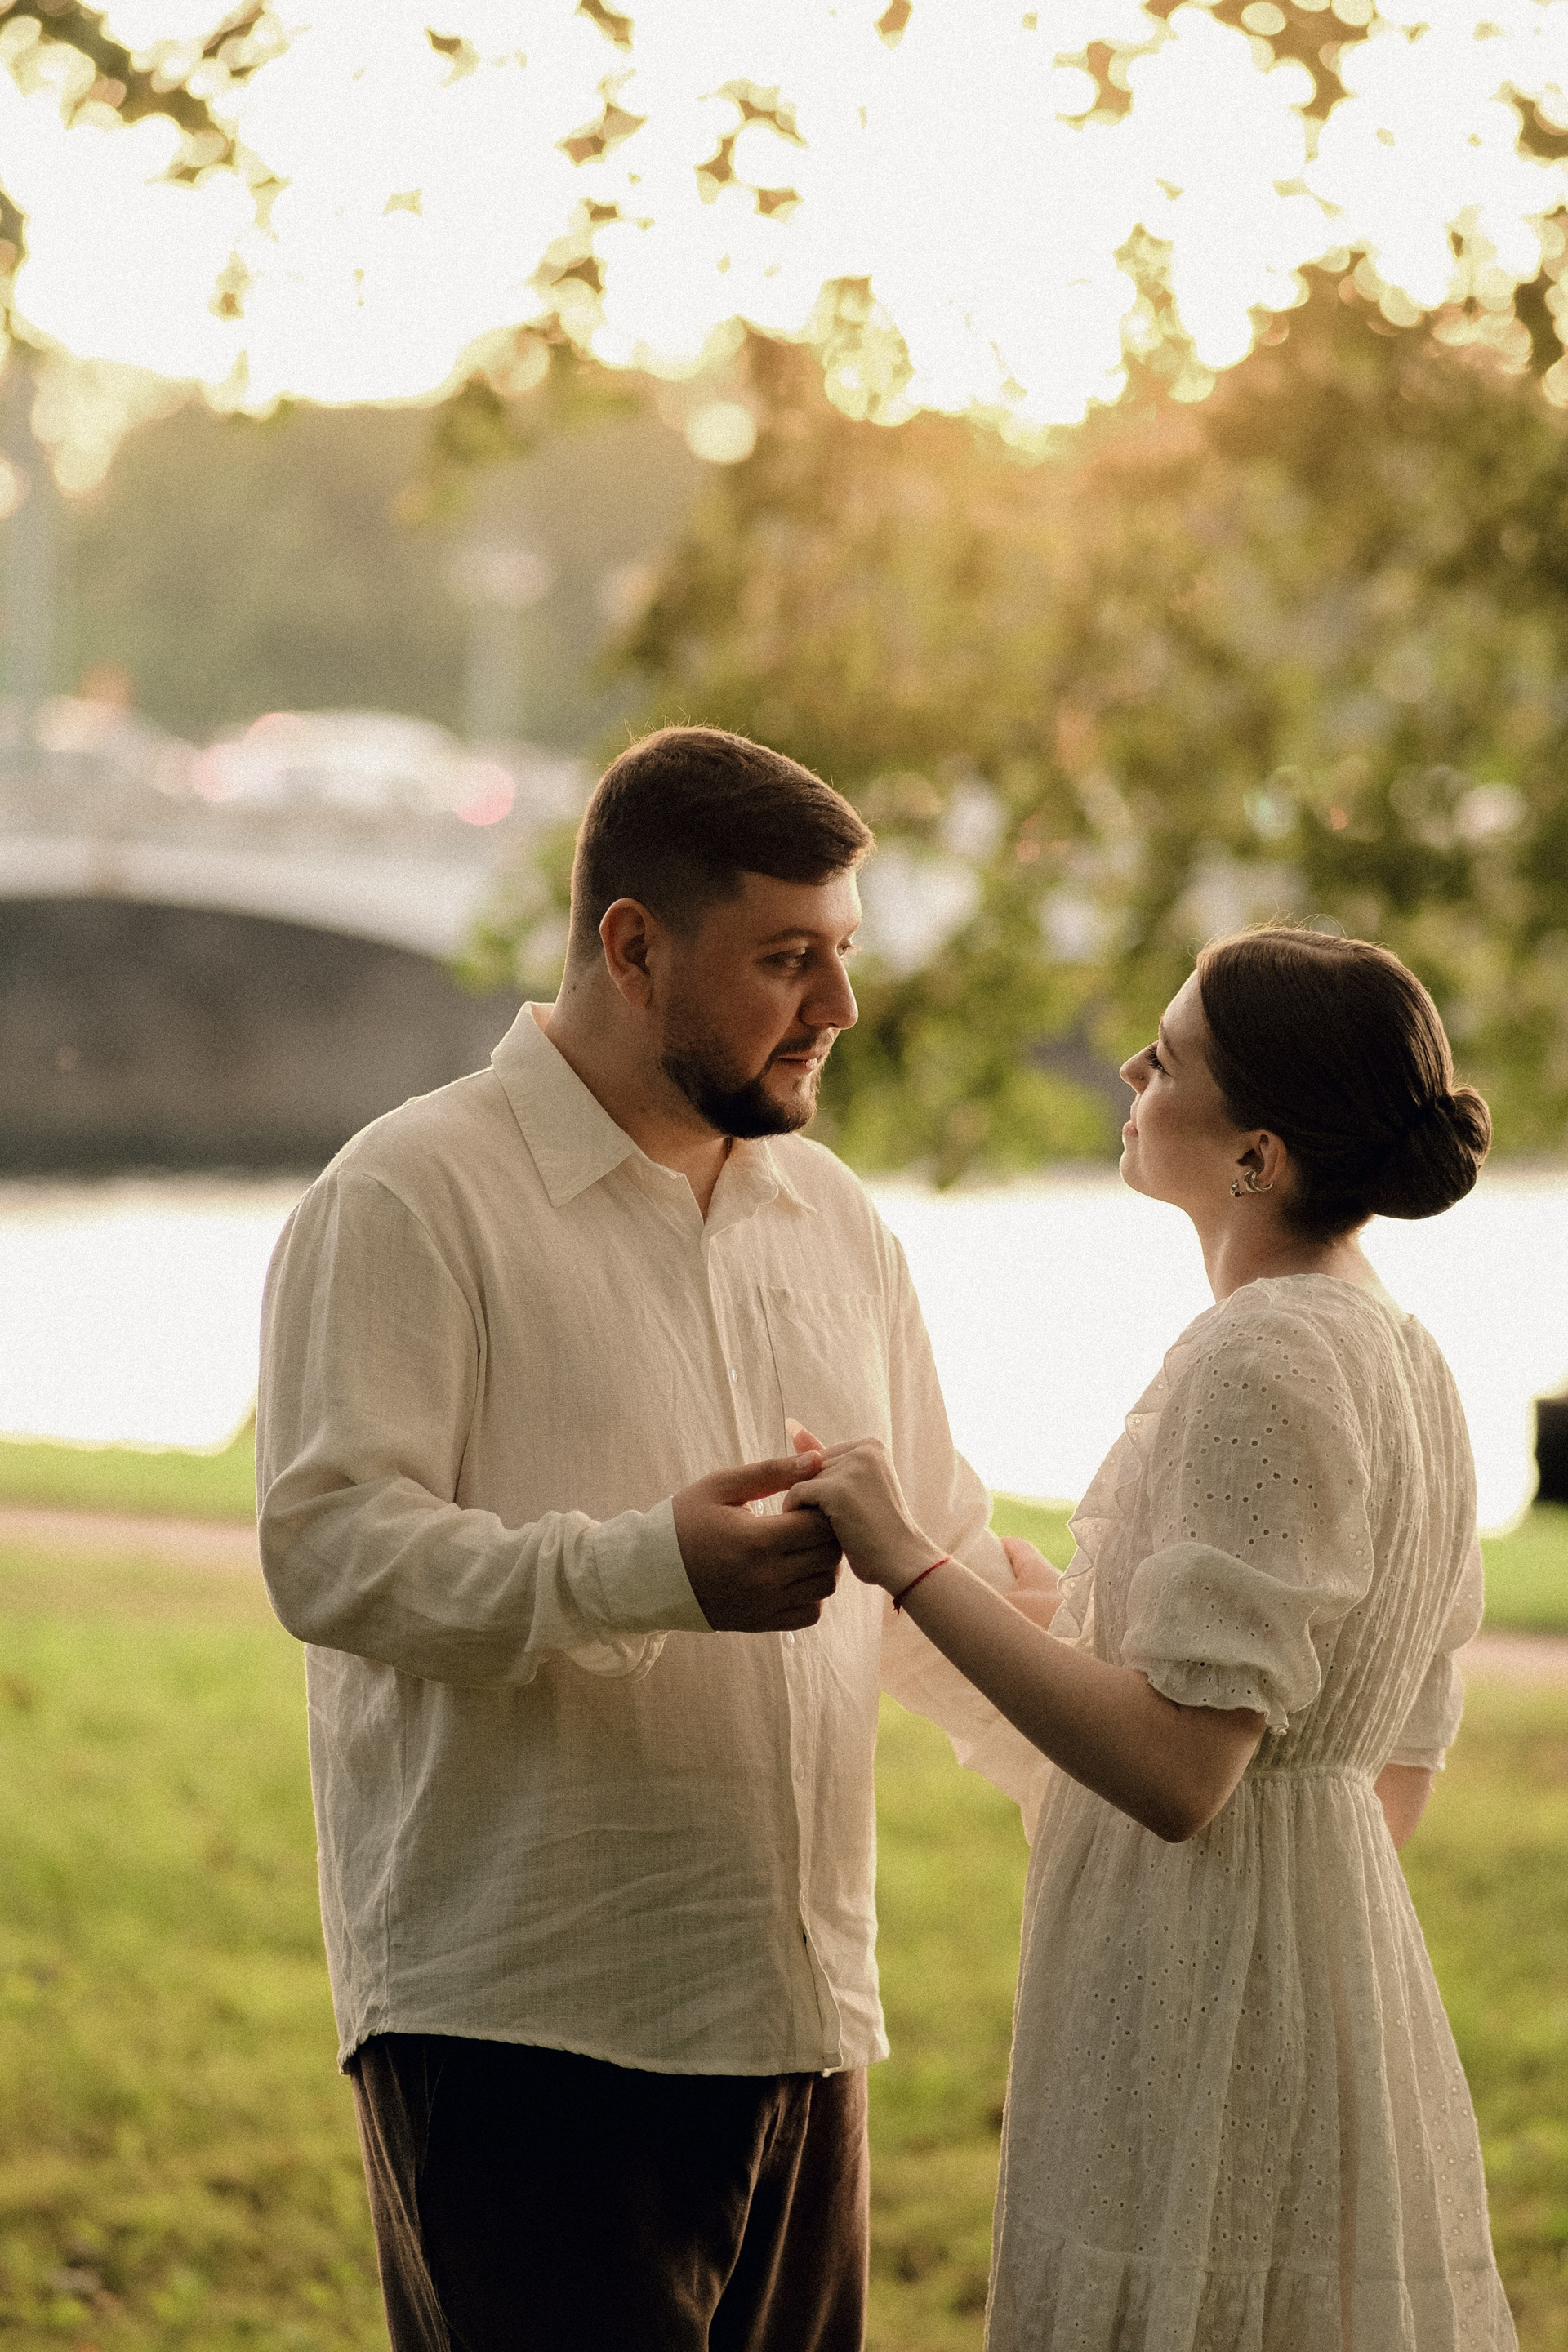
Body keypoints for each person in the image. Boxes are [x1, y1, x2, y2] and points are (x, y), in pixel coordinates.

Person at [256, 725, 1051, 2352]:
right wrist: (652, 1572)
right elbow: (331, 1551)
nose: (838, 1007)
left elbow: (936, 1568)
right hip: (526, 2029)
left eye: (842, 953)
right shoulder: (409, 1195)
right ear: (633, 948)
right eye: (786, 959)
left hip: (805, 2021)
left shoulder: (836, 1222)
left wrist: (1132, 1780)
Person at [788, 926, 1517, 2350]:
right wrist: (1067, 1625)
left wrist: (906, 1558)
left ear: (1257, 1158)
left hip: (1194, 2001)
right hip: (1331, 1982)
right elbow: (1383, 1758)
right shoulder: (1408, 1355)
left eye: (1168, 1057)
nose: (1129, 1067)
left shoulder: (1264, 1351)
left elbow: (1183, 1772)